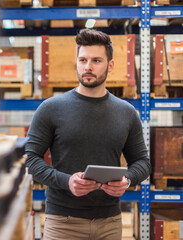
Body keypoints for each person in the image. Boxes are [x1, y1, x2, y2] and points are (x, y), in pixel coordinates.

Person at [25, 29, 151, 240]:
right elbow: (29, 160)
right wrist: (67, 181)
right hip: (63, 223)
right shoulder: (50, 108)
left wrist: (127, 180)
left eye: (96, 60)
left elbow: (142, 162)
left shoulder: (126, 112)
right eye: (82, 59)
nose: (88, 67)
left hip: (109, 223)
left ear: (110, 65)